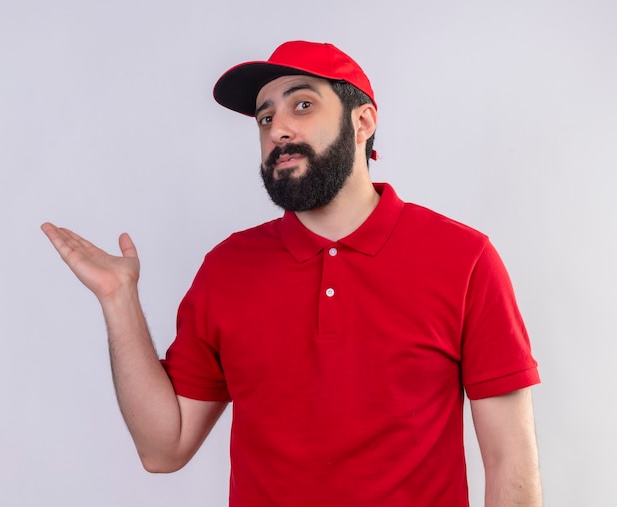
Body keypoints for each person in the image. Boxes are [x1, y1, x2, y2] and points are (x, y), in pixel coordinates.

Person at [42, 40, 542, 506]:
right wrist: (119, 300)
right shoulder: (228, 268)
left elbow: (510, 461)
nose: (277, 129)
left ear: (363, 120)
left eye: (302, 105)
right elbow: (164, 449)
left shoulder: (463, 258)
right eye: (265, 117)